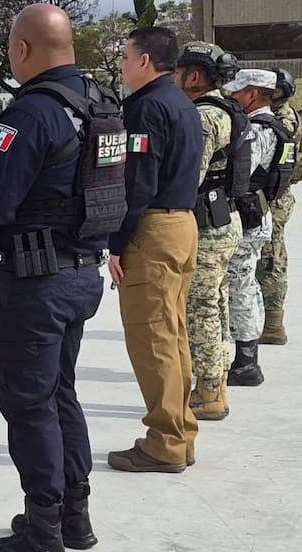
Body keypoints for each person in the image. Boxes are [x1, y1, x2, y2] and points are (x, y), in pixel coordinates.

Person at [0, 4, 119, 552]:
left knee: (30, 404)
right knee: (61, 395)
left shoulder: (30, 114)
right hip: (82, 274)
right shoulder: (102, 106)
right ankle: (73, 518)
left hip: (36, 283)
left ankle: (44, 531)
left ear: (22, 50)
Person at [105, 27, 202, 474]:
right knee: (173, 335)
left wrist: (116, 244)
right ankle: (180, 434)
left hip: (153, 228)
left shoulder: (146, 108)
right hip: (182, 224)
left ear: (145, 61)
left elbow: (137, 183)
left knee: (153, 339)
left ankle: (165, 443)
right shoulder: (182, 103)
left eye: (125, 56)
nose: (121, 64)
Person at [171, 42, 245, 421]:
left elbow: (189, 178)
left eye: (178, 70)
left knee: (200, 311)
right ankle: (218, 380)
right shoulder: (229, 108)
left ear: (194, 76)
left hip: (206, 228)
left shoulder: (201, 118)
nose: (173, 76)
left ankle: (209, 390)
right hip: (225, 222)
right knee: (217, 305)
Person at [222, 68, 294, 386]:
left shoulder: (256, 130)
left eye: (238, 92)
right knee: (245, 285)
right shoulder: (277, 126)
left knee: (239, 288)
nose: (232, 97)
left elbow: (239, 175)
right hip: (258, 214)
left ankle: (245, 363)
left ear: (252, 94)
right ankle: (244, 358)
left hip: (246, 218)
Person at [257, 67, 302, 345]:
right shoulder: (287, 115)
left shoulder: (281, 120)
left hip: (272, 198)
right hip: (279, 195)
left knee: (271, 259)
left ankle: (273, 325)